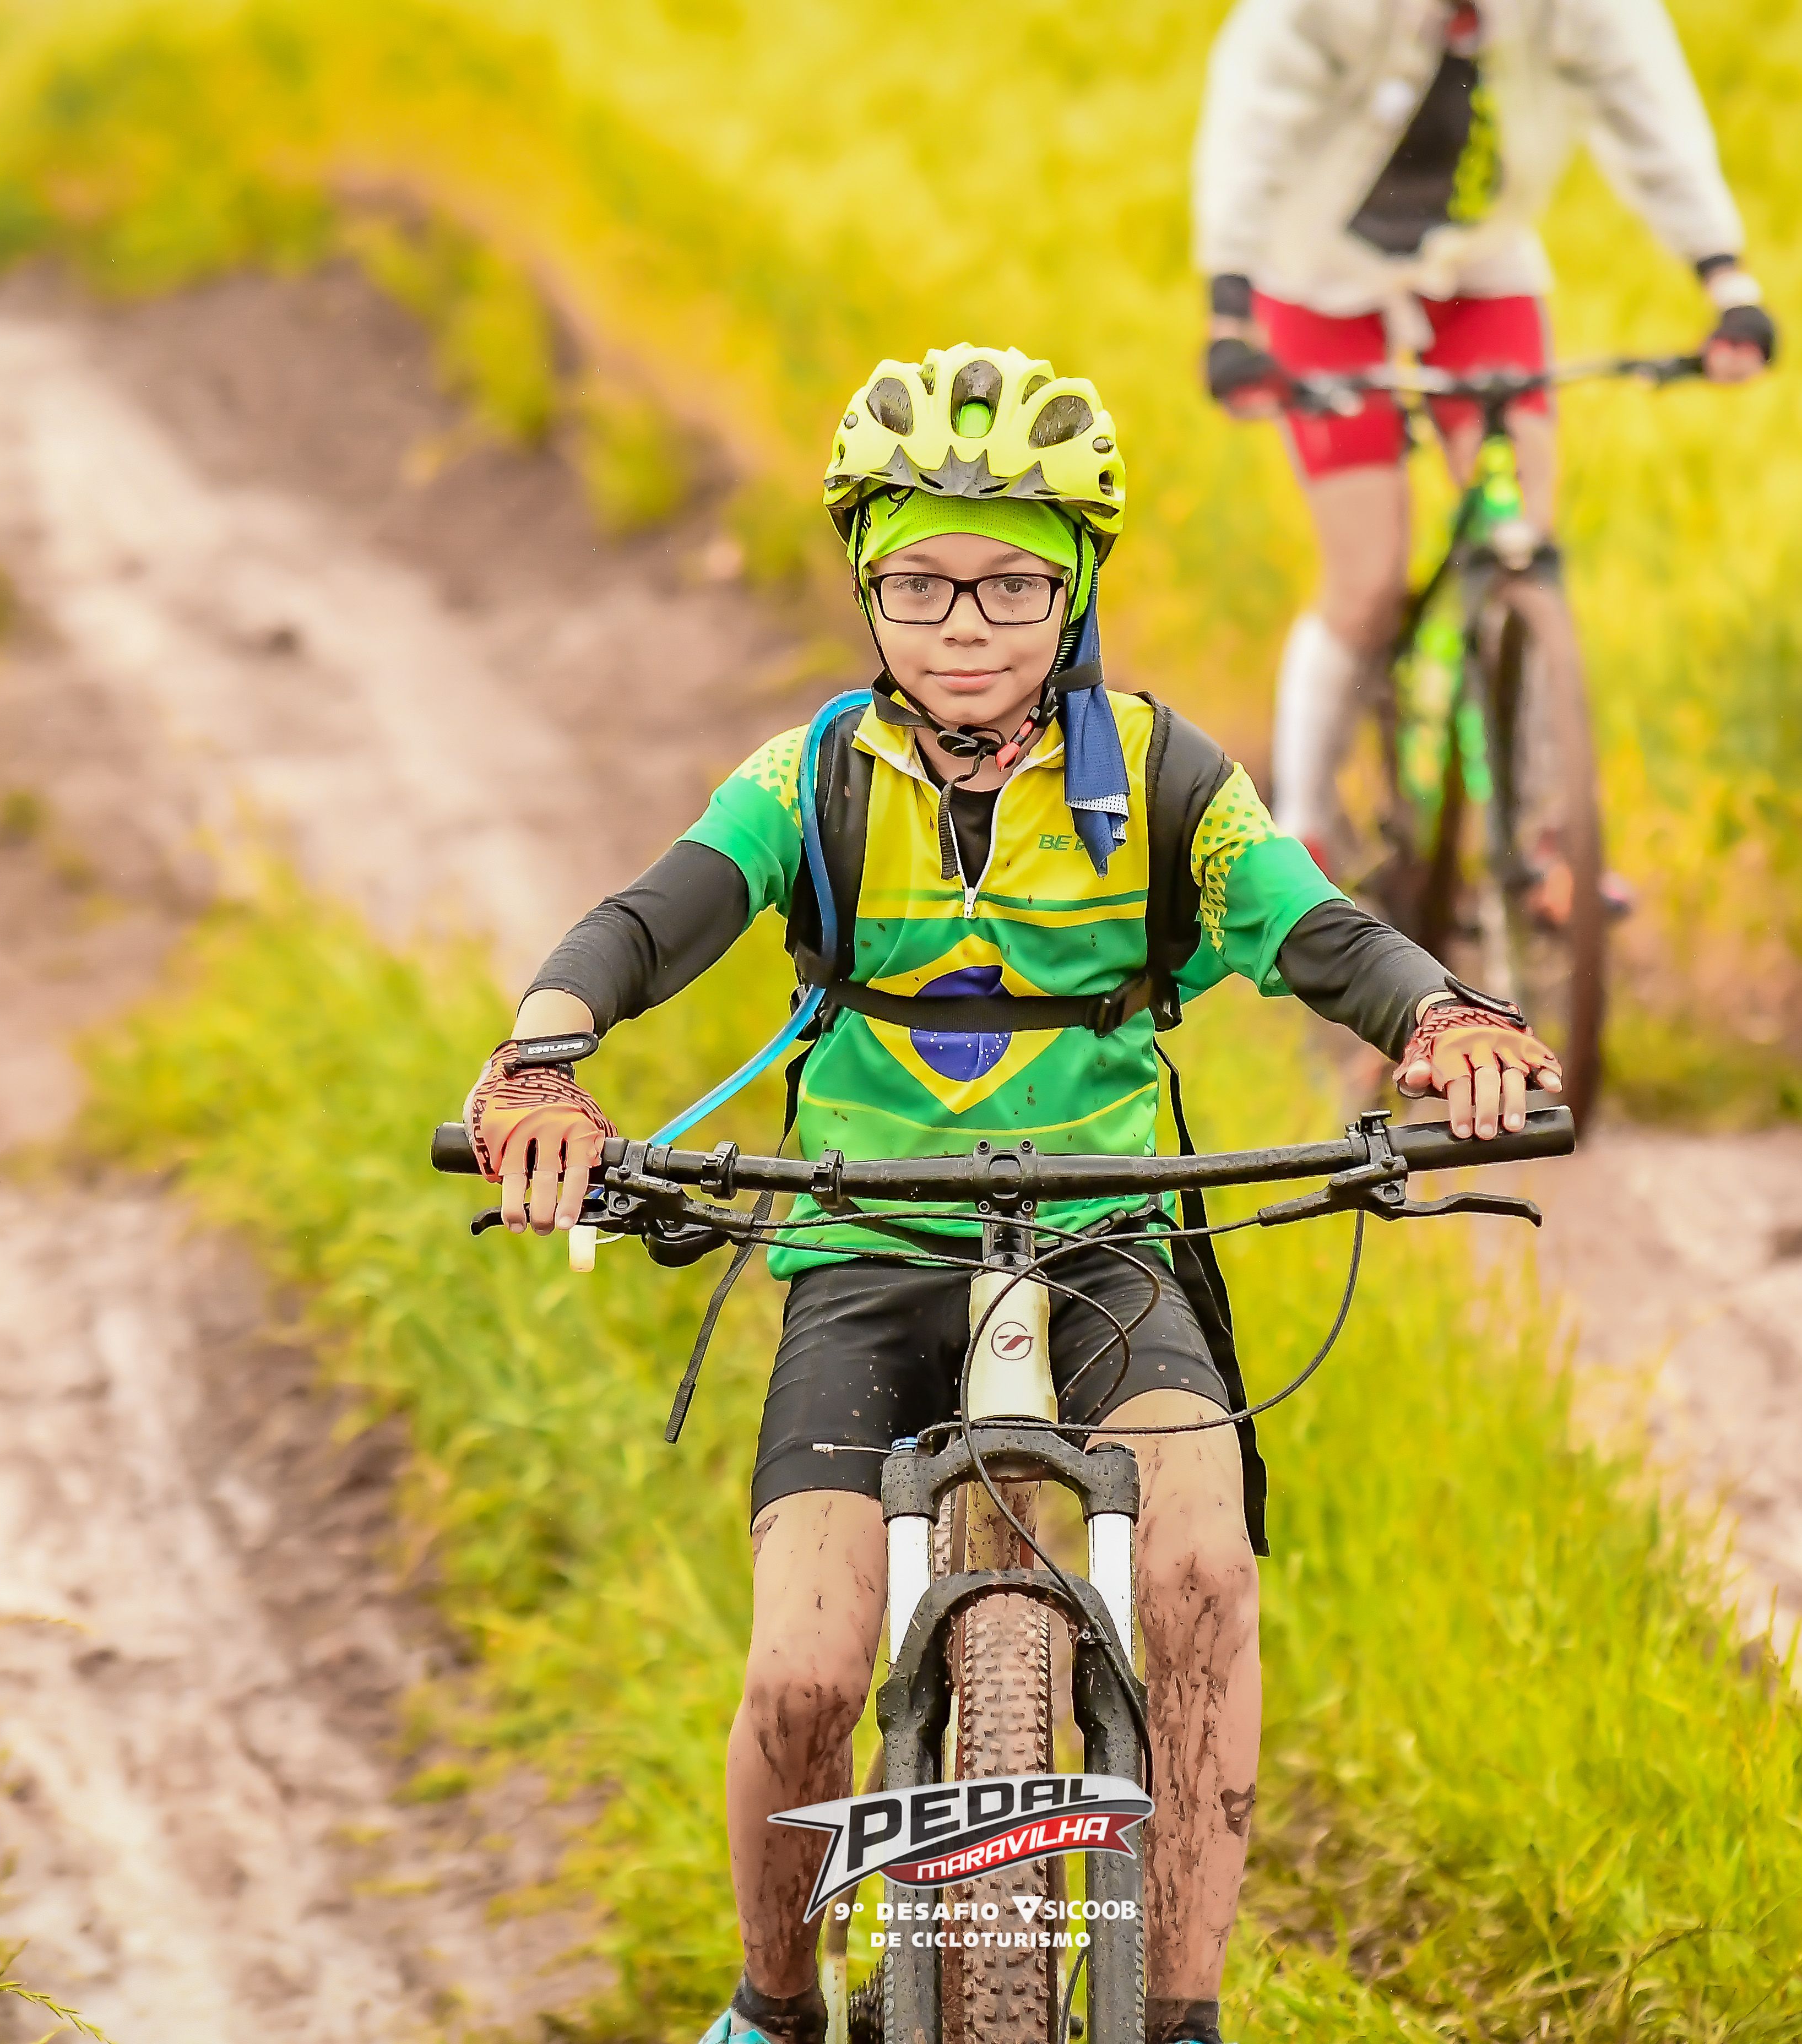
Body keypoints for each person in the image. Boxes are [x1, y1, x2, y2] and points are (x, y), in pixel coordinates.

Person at [462, 343, 1562, 2044]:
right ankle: (774, 2006)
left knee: (1201, 1580)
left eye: (1011, 585)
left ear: (1077, 590)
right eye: (919, 583)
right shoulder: (811, 780)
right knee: (805, 1669)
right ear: (866, 585)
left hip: (1112, 1238)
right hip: (868, 1246)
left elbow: (1314, 923)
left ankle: (1181, 2013)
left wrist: (1442, 1017)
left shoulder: (1166, 777)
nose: (962, 625)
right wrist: (540, 1062)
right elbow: (652, 917)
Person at [1192, 0, 1778, 876]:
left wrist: (1726, 280)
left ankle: (1546, 832)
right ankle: (1298, 835)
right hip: (1317, 274)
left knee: (1523, 539)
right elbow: (1253, 119)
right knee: (1368, 575)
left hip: (1479, 262)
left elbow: (1648, 104)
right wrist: (1230, 313)